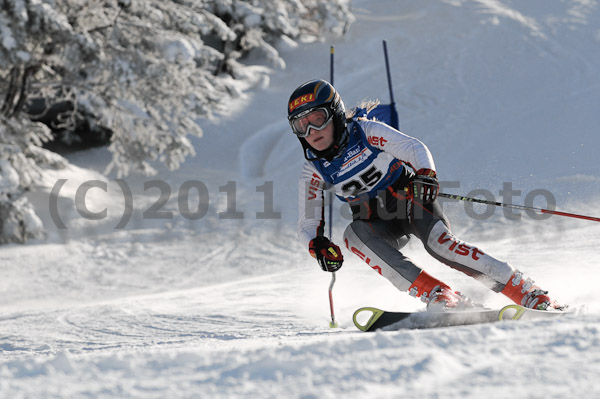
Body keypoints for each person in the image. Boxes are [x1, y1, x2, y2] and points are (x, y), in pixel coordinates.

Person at [289, 79, 563, 311]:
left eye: (318, 119)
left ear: (335, 115)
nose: (312, 131)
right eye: (302, 126)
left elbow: (413, 148)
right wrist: (317, 246)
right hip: (378, 223)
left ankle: (527, 292)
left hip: (412, 201)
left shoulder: (366, 132)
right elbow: (307, 224)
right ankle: (441, 296)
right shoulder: (312, 170)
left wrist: (426, 175)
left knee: (440, 245)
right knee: (353, 236)